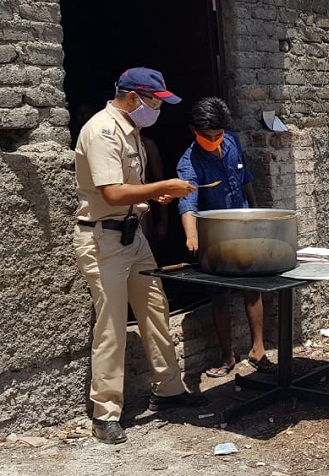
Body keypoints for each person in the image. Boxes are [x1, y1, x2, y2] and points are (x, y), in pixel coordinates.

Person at [73, 67, 208, 445]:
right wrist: (162, 185)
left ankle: (168, 391)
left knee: (155, 309)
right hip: (105, 239)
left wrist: (153, 194)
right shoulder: (102, 131)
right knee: (112, 325)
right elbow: (112, 195)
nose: (157, 109)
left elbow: (129, 190)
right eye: (154, 102)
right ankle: (106, 413)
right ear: (134, 98)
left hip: (134, 236)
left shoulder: (130, 130)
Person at [176, 97, 275, 378]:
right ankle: (227, 356)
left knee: (252, 289)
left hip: (245, 228)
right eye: (208, 137)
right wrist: (191, 236)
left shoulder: (231, 143)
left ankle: (258, 350)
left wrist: (256, 214)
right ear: (193, 131)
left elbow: (246, 181)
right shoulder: (189, 163)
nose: (214, 140)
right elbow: (187, 203)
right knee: (219, 295)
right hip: (216, 238)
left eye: (218, 134)